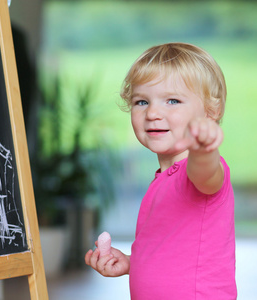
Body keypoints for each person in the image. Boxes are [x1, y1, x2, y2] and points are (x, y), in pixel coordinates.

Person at [85, 42, 237, 299]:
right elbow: (174, 253)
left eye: (173, 101)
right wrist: (133, 263)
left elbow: (205, 172)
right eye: (141, 101)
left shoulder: (200, 170)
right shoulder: (163, 179)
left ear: (212, 111)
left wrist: (203, 149)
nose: (153, 112)